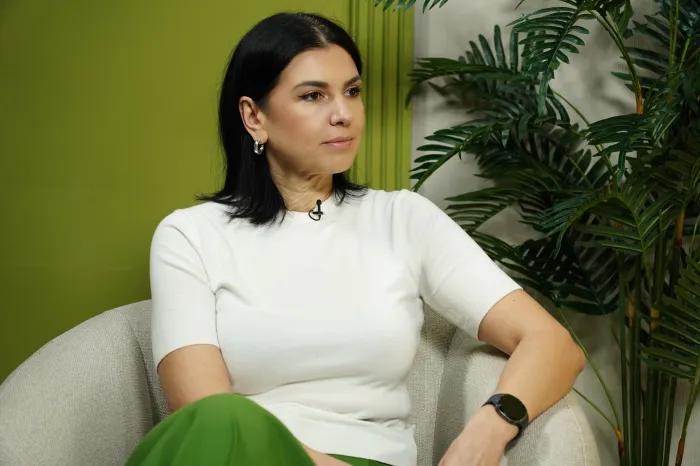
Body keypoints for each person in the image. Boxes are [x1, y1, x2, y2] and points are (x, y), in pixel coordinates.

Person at [126, 11, 586, 466]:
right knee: (218, 419)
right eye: (313, 96)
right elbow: (199, 407)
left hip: (369, 457)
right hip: (242, 455)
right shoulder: (190, 235)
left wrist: (489, 428)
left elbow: (552, 343)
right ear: (254, 117)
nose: (343, 115)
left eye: (352, 91)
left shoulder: (403, 220)